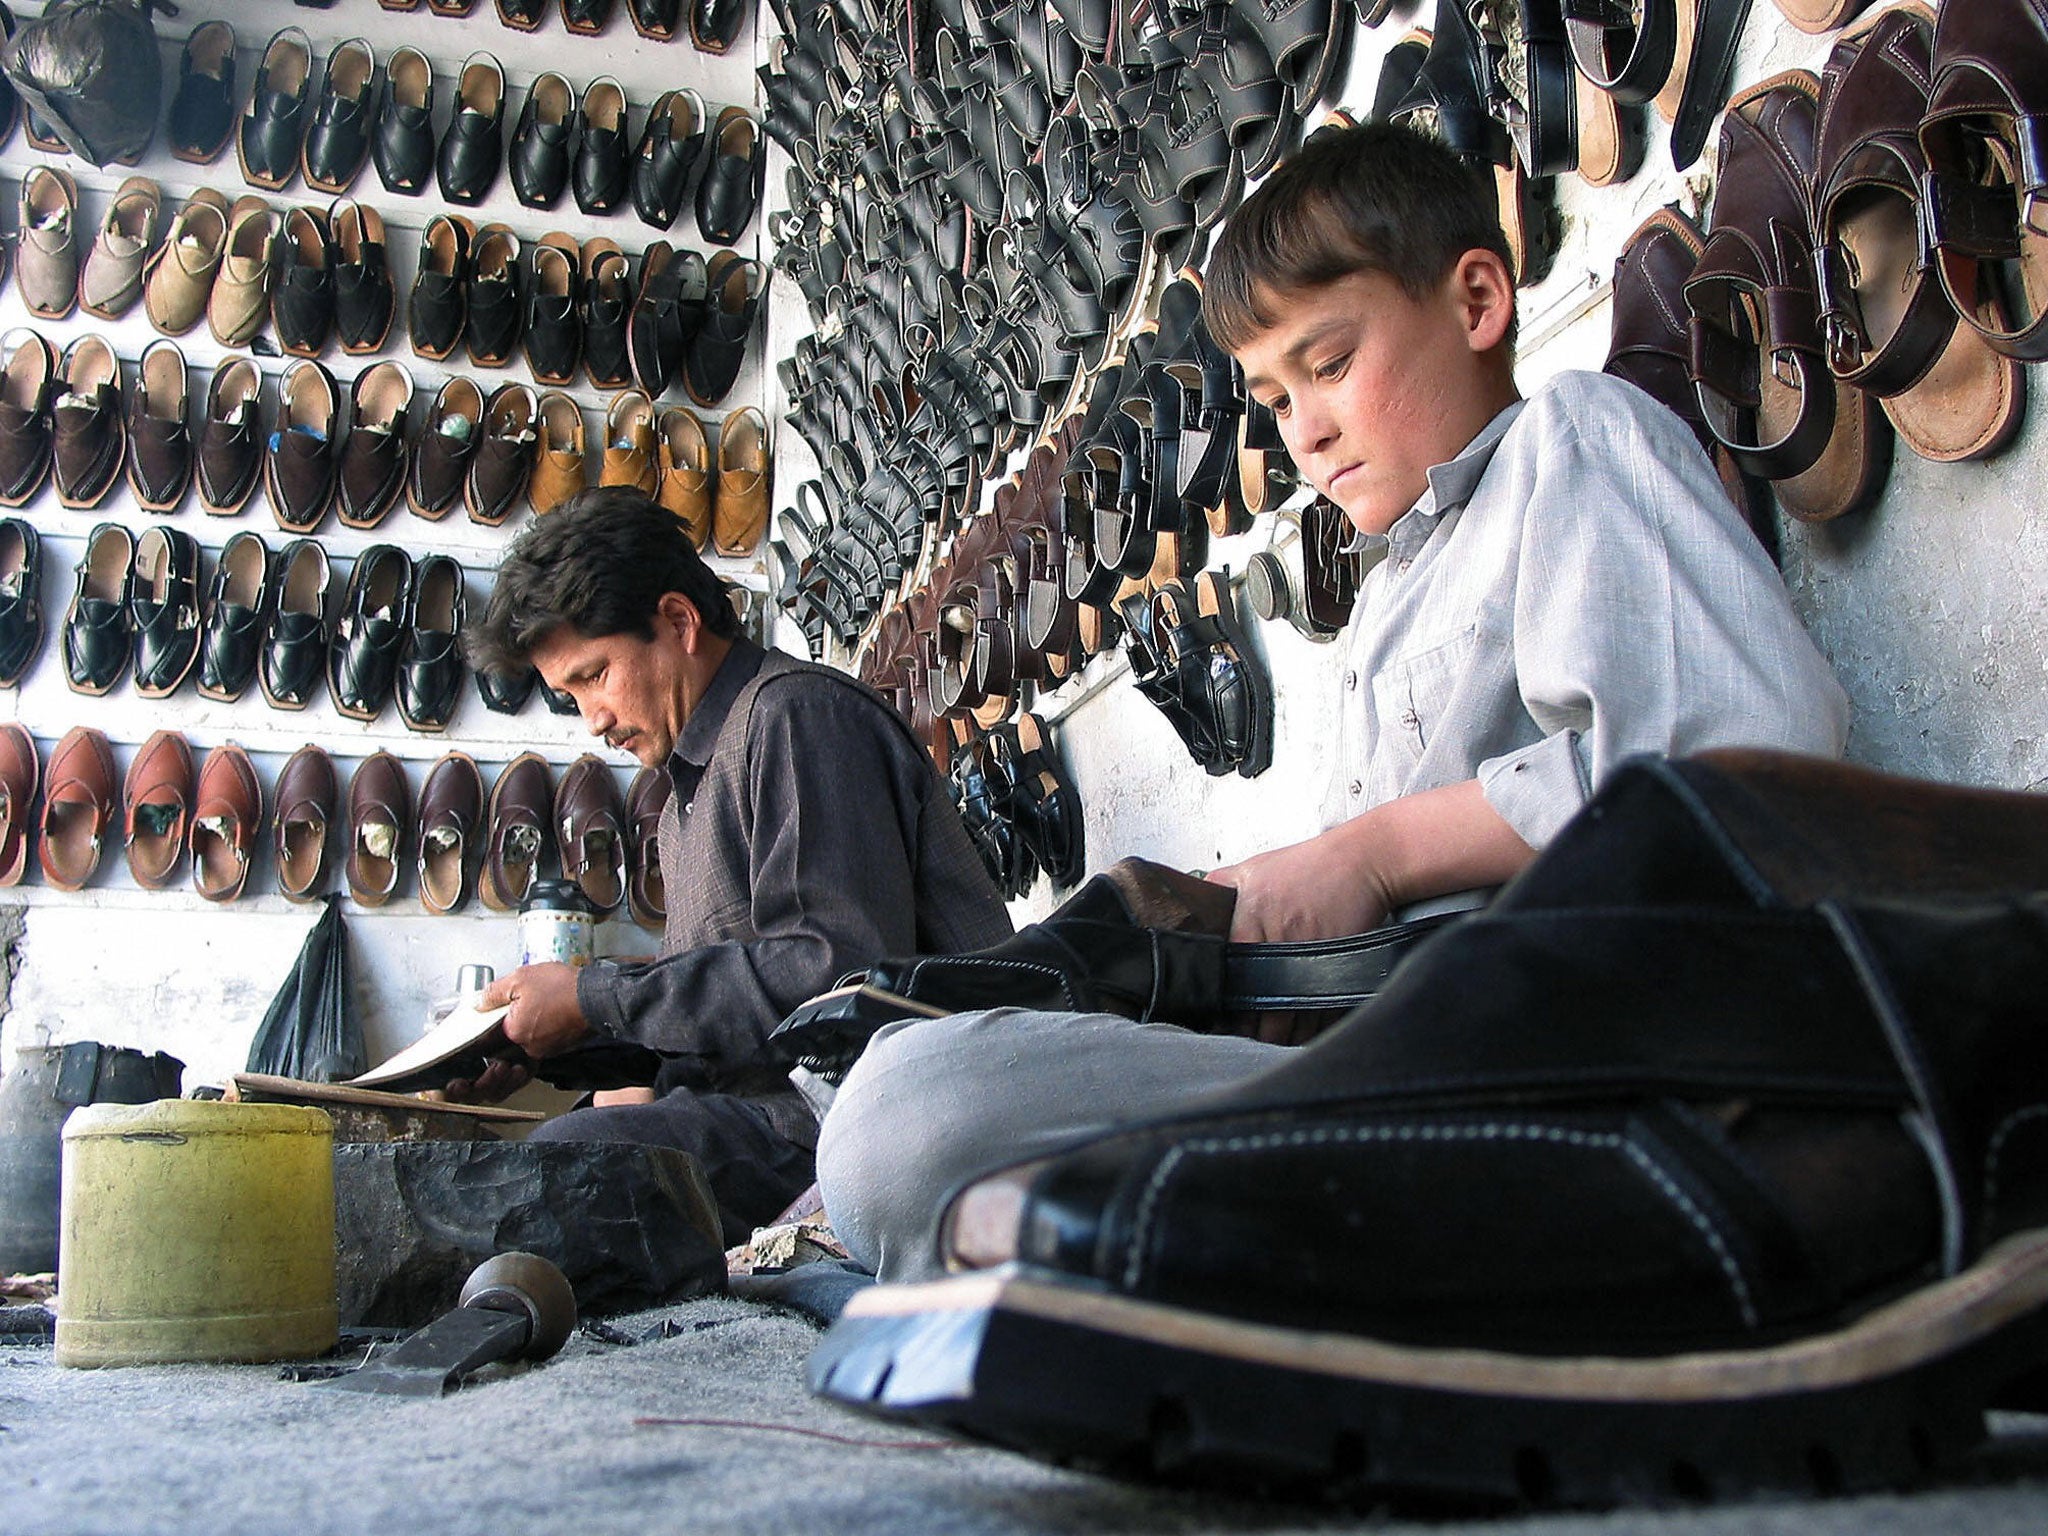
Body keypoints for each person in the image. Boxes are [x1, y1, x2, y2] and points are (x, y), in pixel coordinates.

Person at [813, 120, 1853, 1282]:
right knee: (888, 1086)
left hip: (1559, 1069)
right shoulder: (1391, 586)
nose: (1299, 429)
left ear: (1473, 302)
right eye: (1266, 396)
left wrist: (1373, 854)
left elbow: (1738, 767)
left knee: (907, 1123)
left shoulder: (1574, 436)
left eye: (1327, 362)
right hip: (1410, 1051)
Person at [461, 488, 1012, 1242]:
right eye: (570, 694)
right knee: (524, 1164)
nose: (591, 719)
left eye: (595, 676)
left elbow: (832, 978)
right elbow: (720, 1021)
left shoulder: (794, 719)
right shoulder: (681, 793)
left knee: (560, 1169)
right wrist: (546, 1046)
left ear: (680, 621)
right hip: (783, 1119)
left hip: (868, 1126)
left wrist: (594, 996)